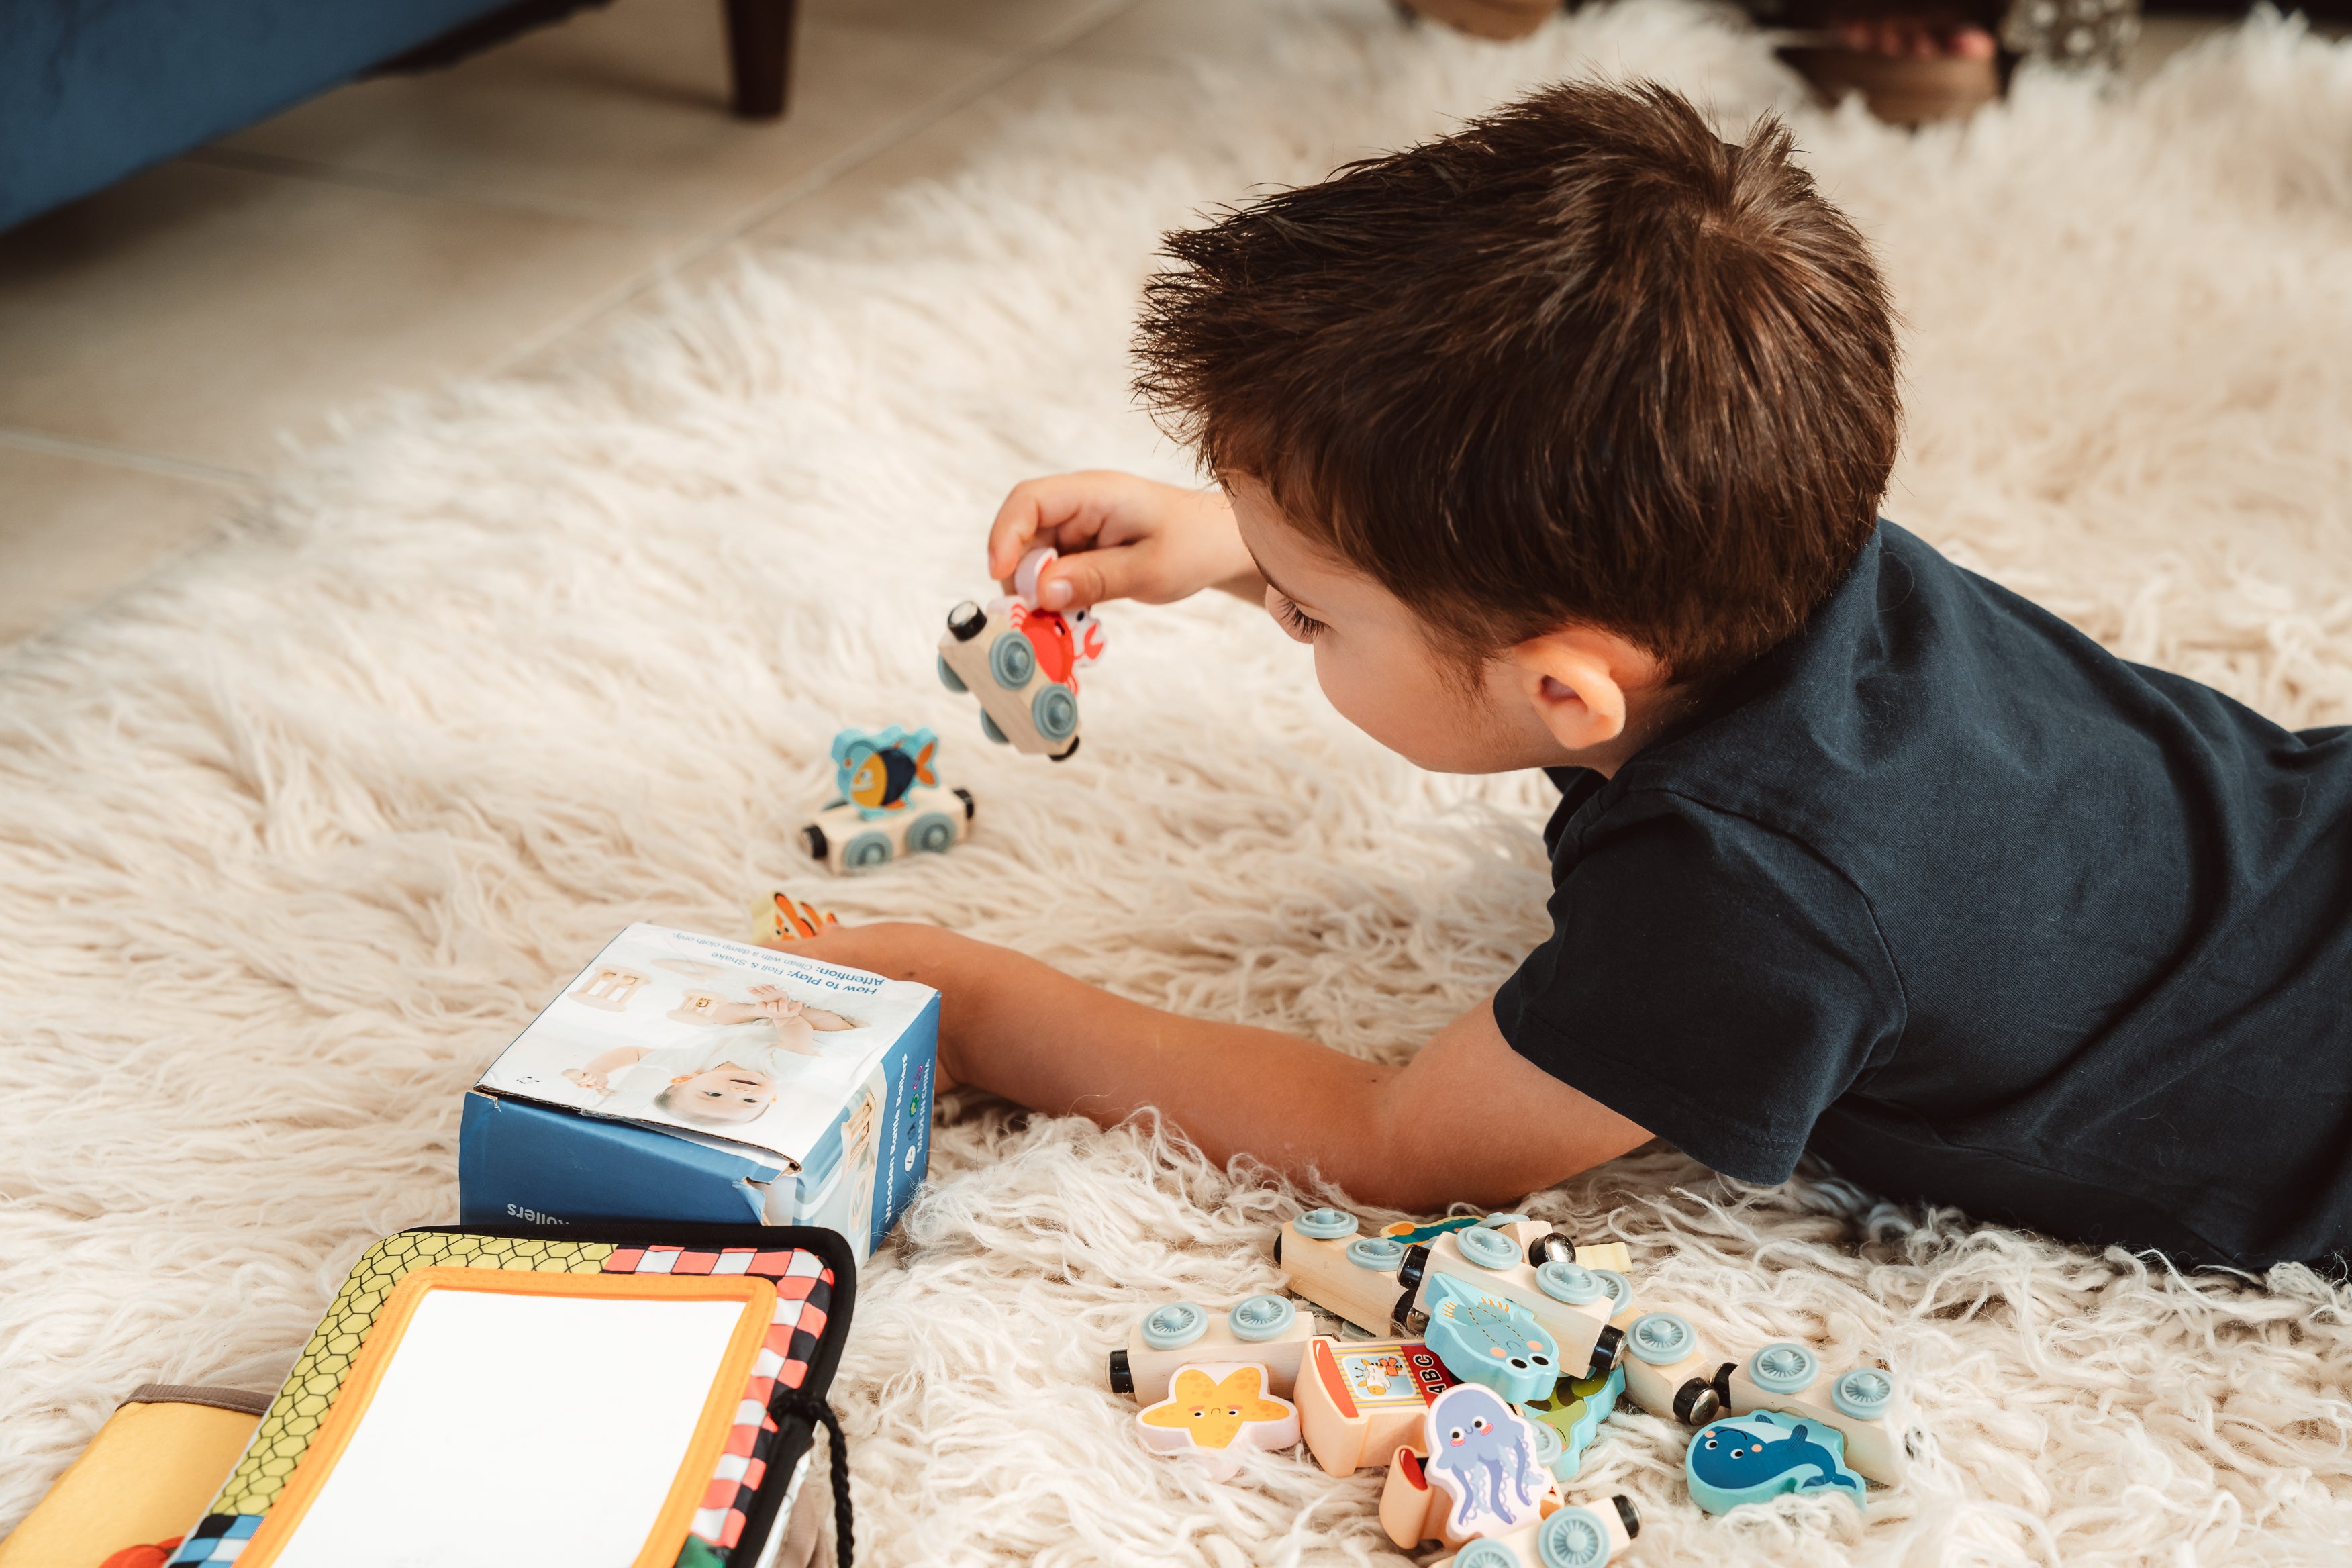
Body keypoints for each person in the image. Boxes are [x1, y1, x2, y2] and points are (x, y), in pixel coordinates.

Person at [779, 82, 2352, 1272]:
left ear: (1571, 694)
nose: (1286, 612)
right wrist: (1234, 538)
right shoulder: (1785, 540)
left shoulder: (1745, 905)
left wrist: (978, 1004)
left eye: (1313, 611)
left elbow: (1389, 1141)